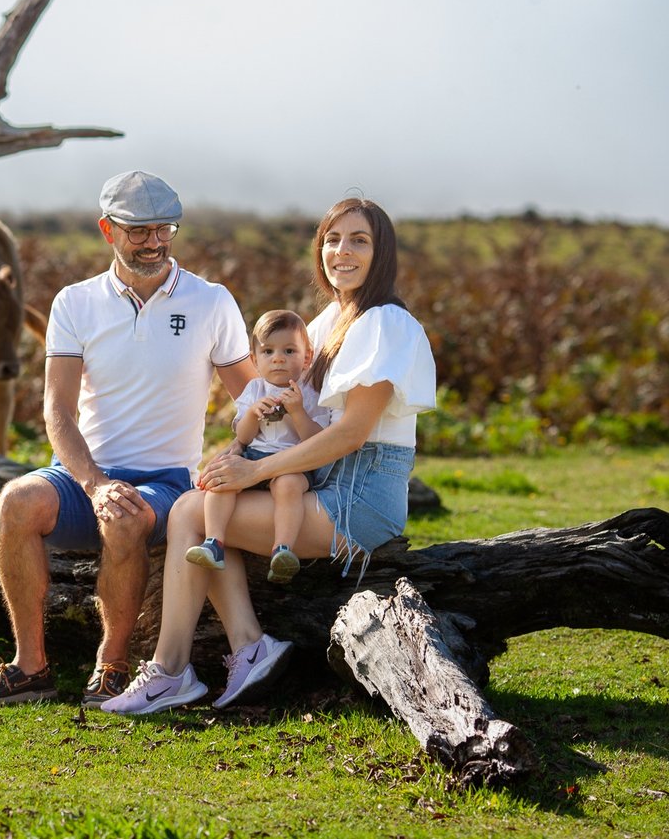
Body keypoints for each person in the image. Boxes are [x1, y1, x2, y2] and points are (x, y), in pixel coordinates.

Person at [101, 195, 436, 715]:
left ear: (382, 252)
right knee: (208, 503)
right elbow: (278, 402)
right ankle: (246, 650)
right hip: (321, 482)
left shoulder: (383, 322)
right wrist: (239, 448)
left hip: (360, 497)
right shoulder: (329, 322)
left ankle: (173, 671)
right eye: (332, 239)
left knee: (191, 510)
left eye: (359, 240)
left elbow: (351, 434)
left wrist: (254, 469)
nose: (341, 251)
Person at [0, 171, 256, 707]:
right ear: (107, 230)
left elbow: (251, 399)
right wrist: (94, 483)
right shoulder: (75, 303)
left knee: (125, 517)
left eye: (164, 228)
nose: (154, 241)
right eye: (138, 230)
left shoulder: (211, 302)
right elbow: (57, 409)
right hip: (83, 476)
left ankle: (112, 665)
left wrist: (238, 453)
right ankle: (31, 668)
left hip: (165, 483)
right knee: (15, 502)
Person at [185, 309, 329, 584]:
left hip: (292, 462)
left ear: (306, 357)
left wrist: (298, 411)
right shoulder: (254, 390)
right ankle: (214, 542)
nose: (278, 358)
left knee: (288, 487)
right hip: (252, 456)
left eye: (289, 351)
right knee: (222, 480)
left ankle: (283, 549)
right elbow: (244, 436)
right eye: (268, 352)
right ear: (254, 359)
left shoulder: (310, 393)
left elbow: (316, 439)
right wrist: (251, 414)